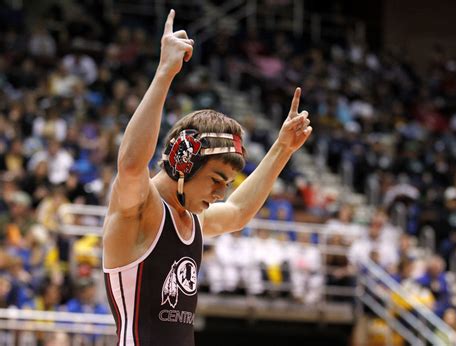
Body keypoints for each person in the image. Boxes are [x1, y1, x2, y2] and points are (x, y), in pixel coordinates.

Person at [102, 9, 312, 346]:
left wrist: (283, 148)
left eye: (226, 184)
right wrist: (164, 73)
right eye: (216, 180)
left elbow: (239, 213)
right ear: (183, 162)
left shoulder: (193, 220)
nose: (219, 193)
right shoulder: (141, 210)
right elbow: (129, 165)